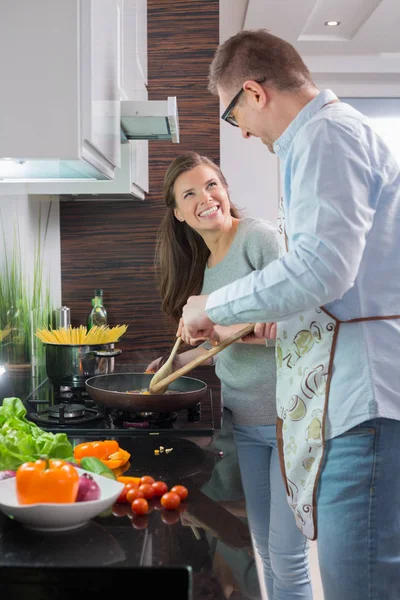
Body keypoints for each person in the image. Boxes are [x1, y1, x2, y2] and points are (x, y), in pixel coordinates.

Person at [178, 29, 400, 600]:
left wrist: (215, 307)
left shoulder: (326, 135)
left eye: (234, 117)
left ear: (253, 92)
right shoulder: (320, 139)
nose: (245, 133)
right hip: (349, 399)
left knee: (359, 584)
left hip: (363, 399)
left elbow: (321, 269)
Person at [146, 151, 314, 599]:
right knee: (264, 548)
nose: (206, 198)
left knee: (287, 553)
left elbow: (297, 329)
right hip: (245, 422)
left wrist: (220, 327)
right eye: (191, 194)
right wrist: (173, 364)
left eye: (212, 185)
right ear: (179, 214)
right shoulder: (207, 271)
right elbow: (217, 349)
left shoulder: (258, 238)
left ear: (225, 190)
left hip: (287, 421)